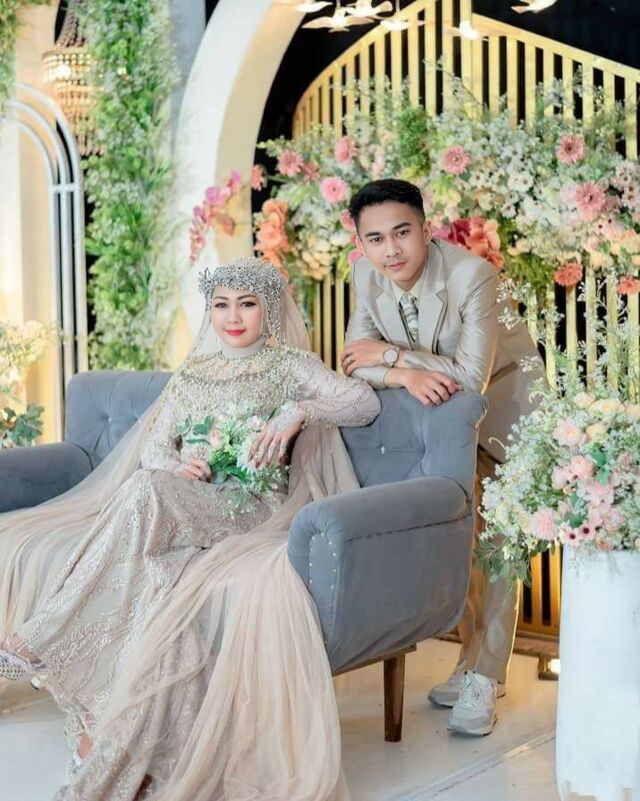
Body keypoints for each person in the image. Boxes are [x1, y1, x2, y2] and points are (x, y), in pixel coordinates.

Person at [0, 257, 380, 801]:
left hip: (251, 505)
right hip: (190, 497)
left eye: (246, 305)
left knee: (145, 493)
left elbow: (362, 401)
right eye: (221, 305)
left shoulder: (289, 364)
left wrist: (298, 411)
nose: (233, 317)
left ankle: (42, 636)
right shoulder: (193, 373)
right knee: (150, 567)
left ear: (269, 310)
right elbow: (155, 448)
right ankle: (110, 729)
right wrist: (178, 465)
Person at [341, 179, 545, 737]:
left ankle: (488, 676)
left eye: (402, 233)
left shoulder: (472, 275)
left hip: (507, 412)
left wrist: (390, 355)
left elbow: (471, 378)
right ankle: (470, 660)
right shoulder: (364, 277)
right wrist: (403, 375)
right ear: (360, 243)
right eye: (376, 239)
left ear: (425, 229)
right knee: (462, 538)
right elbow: (352, 363)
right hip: (439, 420)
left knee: (498, 544)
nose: (391, 251)